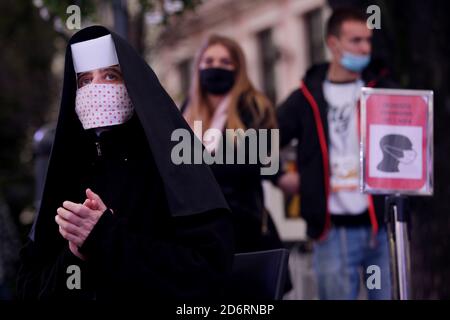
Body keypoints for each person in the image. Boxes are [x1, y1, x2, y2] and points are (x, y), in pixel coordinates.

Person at [17, 26, 234, 300]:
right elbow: (31, 287)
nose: (95, 89)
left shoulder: (171, 167)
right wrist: (75, 254)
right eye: (84, 80)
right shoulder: (69, 172)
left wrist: (106, 236)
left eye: (110, 75)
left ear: (133, 85)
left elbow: (207, 274)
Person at [276, 7, 395, 299]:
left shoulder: (383, 90)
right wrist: (278, 176)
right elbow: (260, 141)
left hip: (380, 229)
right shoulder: (305, 98)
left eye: (367, 40)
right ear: (333, 43)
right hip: (331, 233)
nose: (364, 47)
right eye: (355, 40)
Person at [181, 35, 284, 254]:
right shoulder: (187, 110)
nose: (216, 67)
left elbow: (259, 164)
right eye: (209, 62)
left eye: (225, 62)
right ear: (198, 67)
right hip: (198, 231)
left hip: (243, 227)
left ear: (238, 68)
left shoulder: (255, 107)